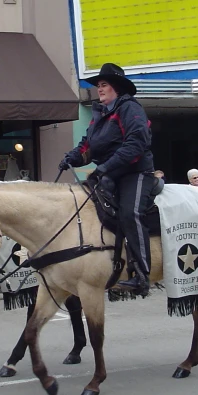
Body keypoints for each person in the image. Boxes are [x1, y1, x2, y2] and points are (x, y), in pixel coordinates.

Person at [59, 63, 155, 296]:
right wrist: (71, 157)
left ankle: (142, 275)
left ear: (117, 88)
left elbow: (136, 144)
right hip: (109, 174)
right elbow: (88, 146)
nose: (99, 89)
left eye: (104, 85)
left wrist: (105, 167)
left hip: (135, 173)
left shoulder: (130, 109)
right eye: (98, 85)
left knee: (130, 213)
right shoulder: (100, 115)